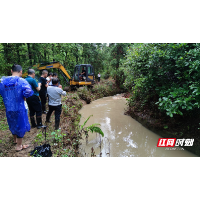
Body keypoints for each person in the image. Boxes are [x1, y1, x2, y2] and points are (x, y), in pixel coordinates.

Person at [0, 64, 33, 151]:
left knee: (12, 123)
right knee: (20, 125)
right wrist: (24, 95)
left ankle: (15, 140)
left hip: (9, 108)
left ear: (11, 71)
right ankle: (19, 146)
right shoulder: (22, 81)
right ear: (21, 72)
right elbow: (28, 91)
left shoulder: (2, 81)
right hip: (19, 107)